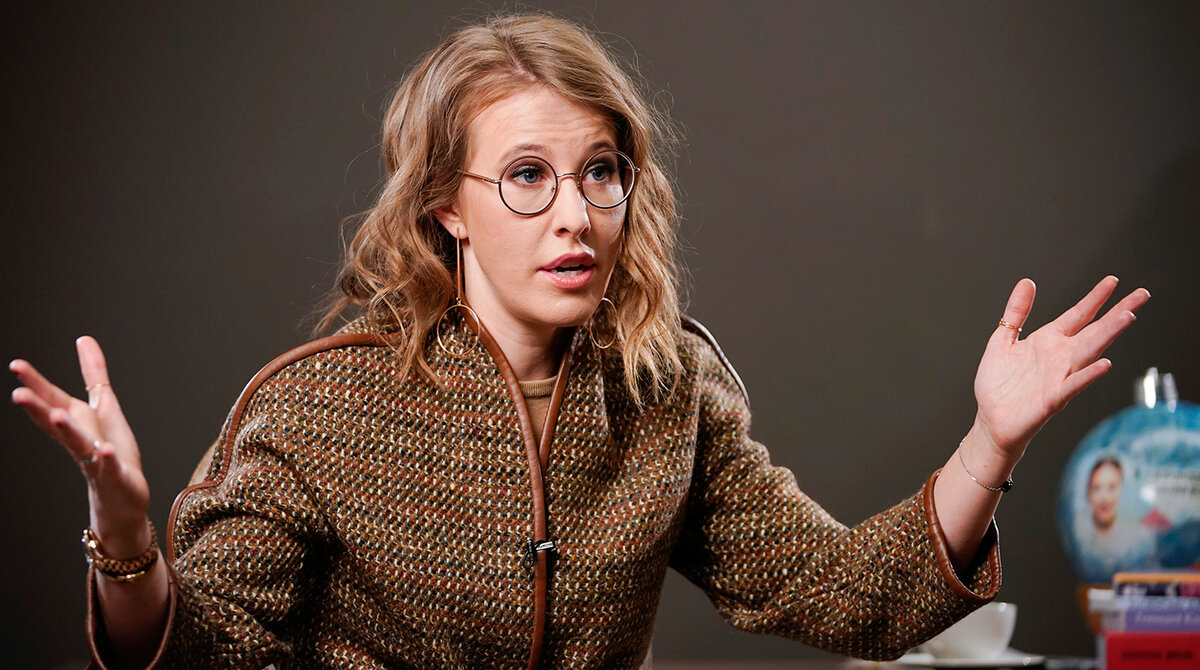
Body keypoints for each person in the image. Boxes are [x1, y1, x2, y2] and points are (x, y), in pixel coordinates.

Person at [9, 13, 1150, 670]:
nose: (575, 215)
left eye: (599, 172)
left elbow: (848, 595)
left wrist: (992, 442)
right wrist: (126, 539)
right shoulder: (318, 408)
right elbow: (191, 656)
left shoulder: (667, 390)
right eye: (526, 176)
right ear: (446, 207)